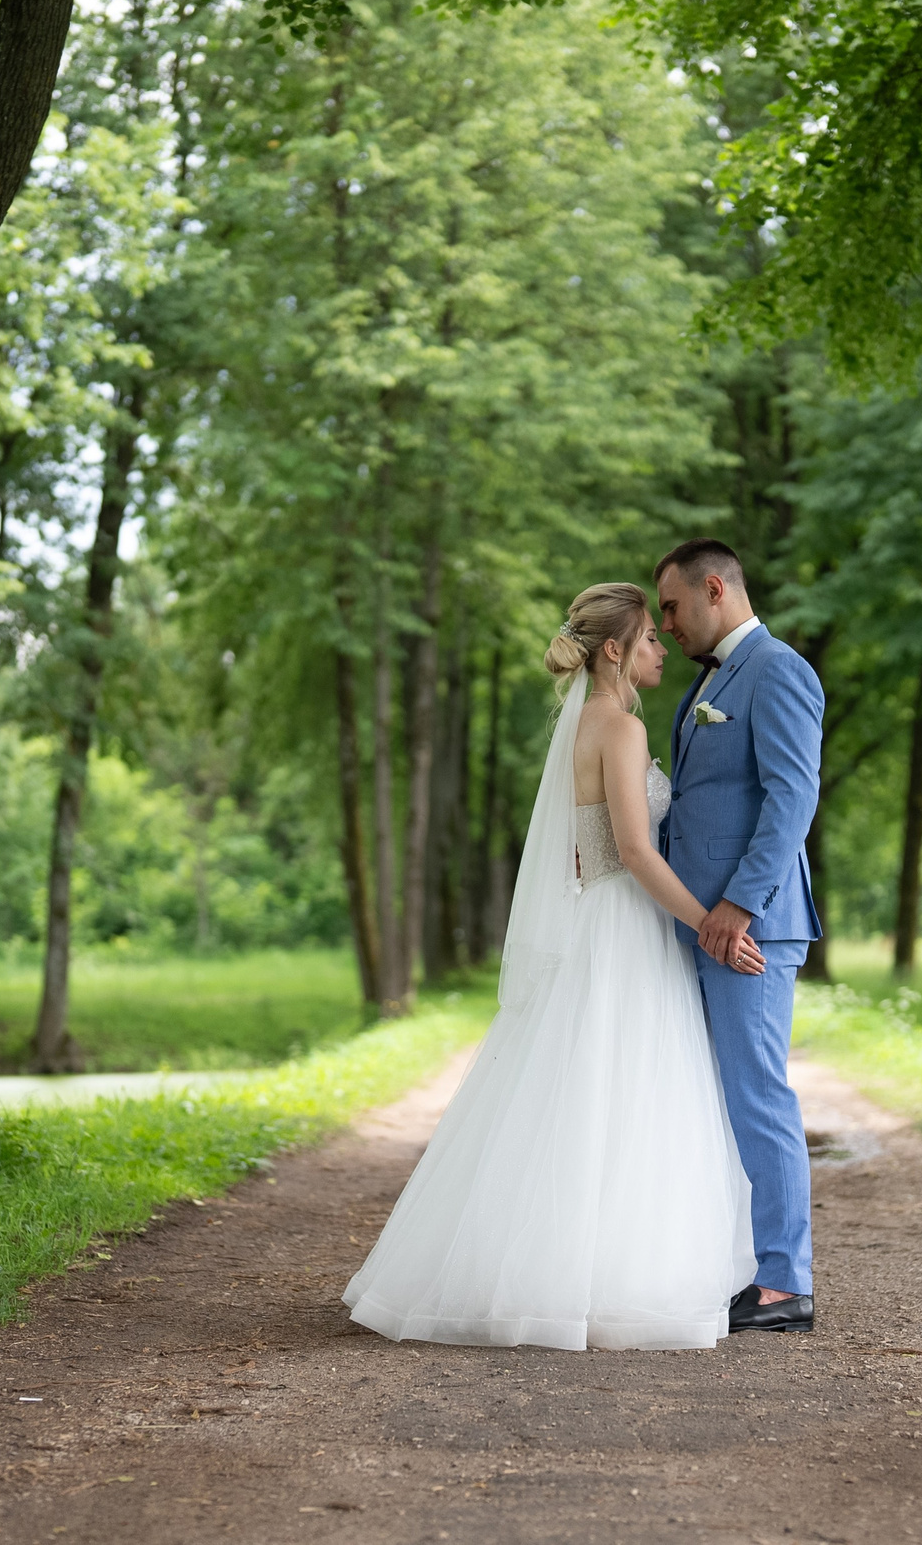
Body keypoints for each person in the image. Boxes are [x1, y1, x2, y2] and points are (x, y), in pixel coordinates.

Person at [342, 581, 762, 1349]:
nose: (661, 647)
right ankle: (613, 1282)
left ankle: (546, 1274)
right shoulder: (622, 729)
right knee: (630, 1093)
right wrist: (709, 925)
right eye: (648, 639)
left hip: (588, 915)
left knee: (572, 1092)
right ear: (615, 650)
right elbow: (634, 850)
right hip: (623, 925)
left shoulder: (578, 726)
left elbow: (586, 843)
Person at [655, 538, 825, 1335]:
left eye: (672, 607)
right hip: (700, 923)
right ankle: (740, 1267)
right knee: (711, 1098)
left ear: (714, 589)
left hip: (746, 929)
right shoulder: (711, 683)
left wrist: (738, 909)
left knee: (759, 1096)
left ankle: (787, 1281)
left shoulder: (779, 670)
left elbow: (792, 801)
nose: (667, 624)